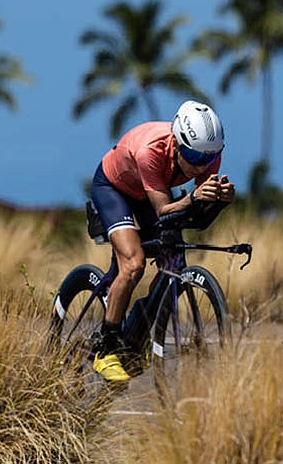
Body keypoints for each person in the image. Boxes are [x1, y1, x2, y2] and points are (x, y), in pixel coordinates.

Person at [88, 100, 235, 381]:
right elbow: (163, 211)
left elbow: (198, 219)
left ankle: (136, 332)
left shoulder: (207, 153)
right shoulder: (151, 150)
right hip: (114, 189)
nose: (200, 166)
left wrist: (221, 200)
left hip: (149, 192)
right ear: (178, 144)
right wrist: (193, 197)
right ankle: (105, 350)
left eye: (208, 158)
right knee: (133, 264)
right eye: (193, 156)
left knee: (173, 260)